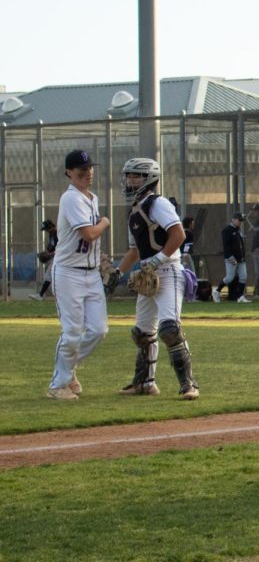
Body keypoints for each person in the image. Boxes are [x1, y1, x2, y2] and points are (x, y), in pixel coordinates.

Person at [112, 157, 200, 399]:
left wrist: (158, 259)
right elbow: (134, 252)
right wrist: (117, 273)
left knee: (170, 328)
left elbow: (178, 234)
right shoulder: (134, 211)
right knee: (142, 333)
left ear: (148, 179)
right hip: (147, 273)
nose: (129, 181)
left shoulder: (157, 203)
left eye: (135, 176)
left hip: (168, 270)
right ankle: (144, 383)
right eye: (128, 176)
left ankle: (189, 384)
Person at [45, 150, 111, 400]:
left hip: (91, 273)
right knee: (72, 332)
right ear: (68, 173)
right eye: (80, 169)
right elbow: (89, 234)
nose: (87, 172)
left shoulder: (91, 197)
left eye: (90, 167)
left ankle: (68, 370)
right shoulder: (70, 198)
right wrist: (105, 222)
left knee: (98, 329)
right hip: (69, 274)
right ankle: (58, 385)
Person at [216, 212, 250, 303]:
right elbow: (226, 246)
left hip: (241, 258)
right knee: (229, 278)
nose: (240, 222)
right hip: (231, 258)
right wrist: (231, 258)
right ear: (233, 219)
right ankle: (217, 291)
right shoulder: (226, 230)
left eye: (240, 221)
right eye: (239, 220)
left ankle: (240, 297)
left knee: (243, 276)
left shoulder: (238, 230)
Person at [30, 219, 58, 300]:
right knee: (50, 276)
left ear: (51, 227)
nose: (46, 231)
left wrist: (50, 254)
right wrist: (46, 253)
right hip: (55, 257)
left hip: (60, 258)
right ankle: (41, 295)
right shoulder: (51, 234)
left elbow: (63, 248)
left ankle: (40, 295)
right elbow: (51, 247)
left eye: (46, 229)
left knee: (48, 276)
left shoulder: (58, 234)